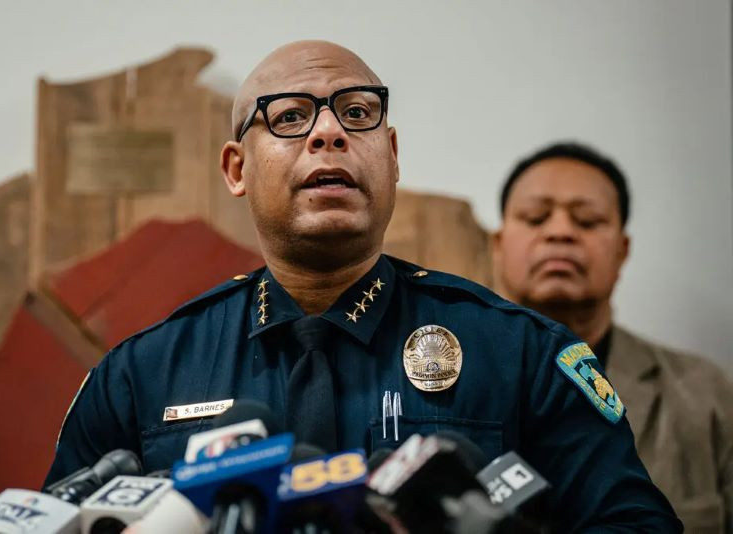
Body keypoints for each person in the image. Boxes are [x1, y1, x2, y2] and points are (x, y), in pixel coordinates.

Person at [46, 42, 681, 531]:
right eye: (291, 116)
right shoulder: (141, 374)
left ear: (393, 156)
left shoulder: (521, 354)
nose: (330, 133)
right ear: (237, 169)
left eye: (357, 113)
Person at [493, 141, 733, 532]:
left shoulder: (709, 395)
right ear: (499, 246)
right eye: (536, 218)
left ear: (623, 251)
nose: (560, 232)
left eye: (587, 221)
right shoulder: (442, 383)